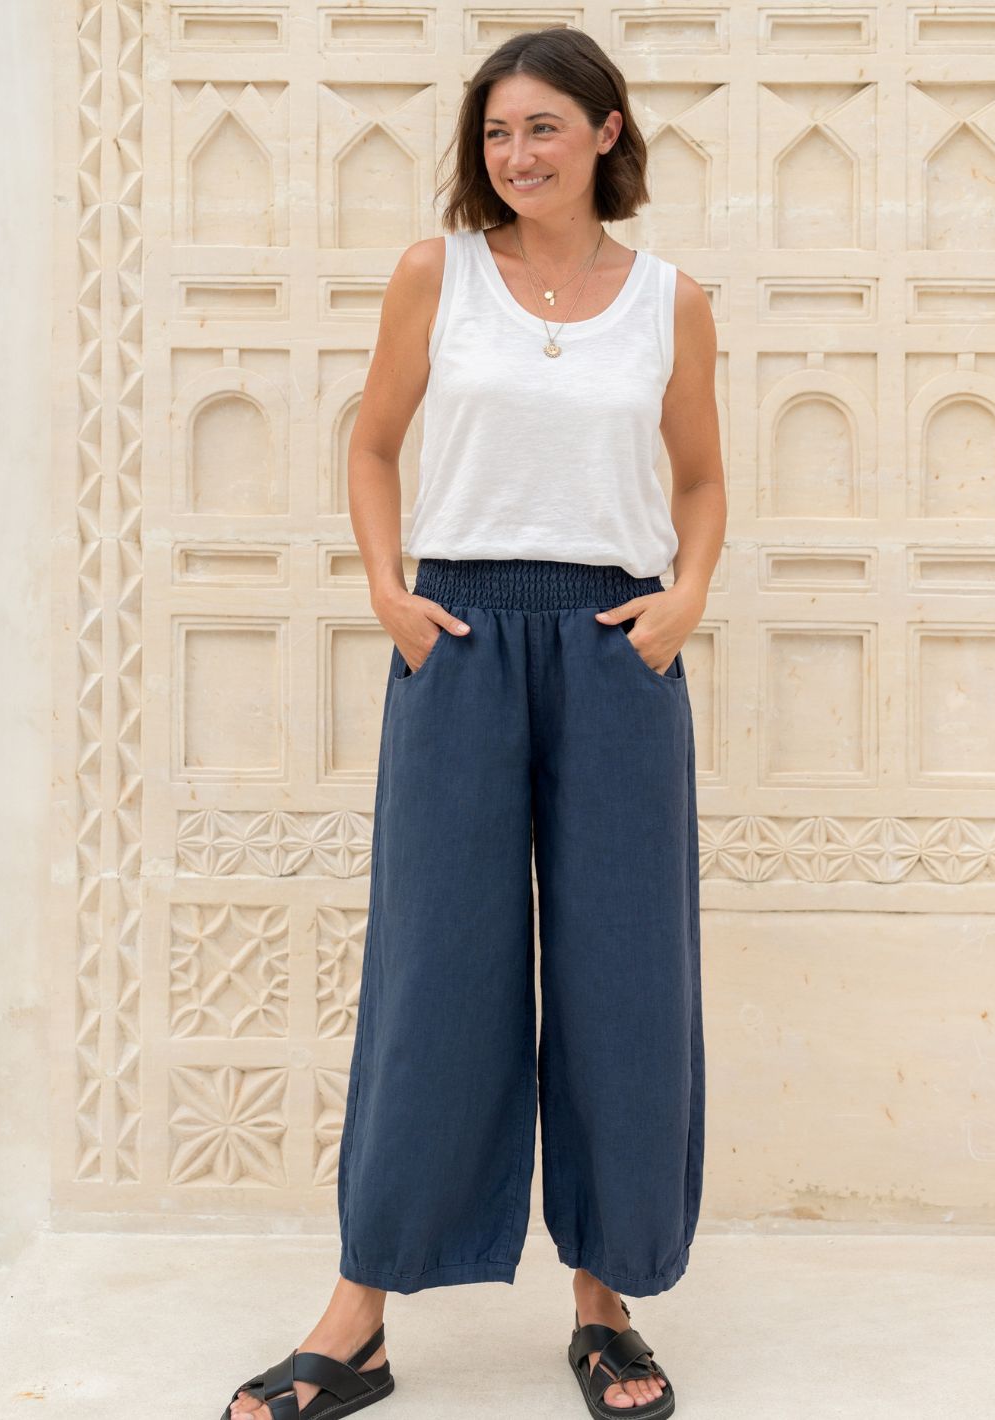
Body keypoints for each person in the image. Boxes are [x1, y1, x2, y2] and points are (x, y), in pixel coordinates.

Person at [220, 24, 724, 1420]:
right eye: (497, 134)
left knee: (625, 978)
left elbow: (699, 479)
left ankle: (605, 1305)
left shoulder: (670, 299)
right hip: (457, 637)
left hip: (619, 647)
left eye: (544, 130)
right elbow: (373, 443)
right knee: (434, 970)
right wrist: (388, 591)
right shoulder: (433, 277)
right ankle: (359, 1313)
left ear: (604, 134)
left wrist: (686, 597)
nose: (516, 156)